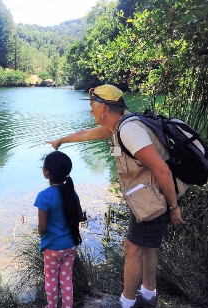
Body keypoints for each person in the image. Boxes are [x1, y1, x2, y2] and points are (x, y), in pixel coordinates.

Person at [46, 84, 188, 308]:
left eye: (92, 105)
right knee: (148, 246)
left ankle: (126, 303)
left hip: (156, 199)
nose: (90, 109)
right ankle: (149, 296)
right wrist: (60, 141)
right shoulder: (118, 126)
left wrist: (173, 208)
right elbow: (85, 134)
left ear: (104, 107)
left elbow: (162, 170)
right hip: (150, 197)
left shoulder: (129, 132)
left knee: (131, 248)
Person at [34, 151, 83, 308]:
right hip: (71, 245)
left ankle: (52, 306)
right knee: (66, 279)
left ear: (46, 172)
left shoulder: (43, 196)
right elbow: (80, 216)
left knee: (51, 280)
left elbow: (42, 227)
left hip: (52, 248)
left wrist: (42, 235)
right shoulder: (71, 192)